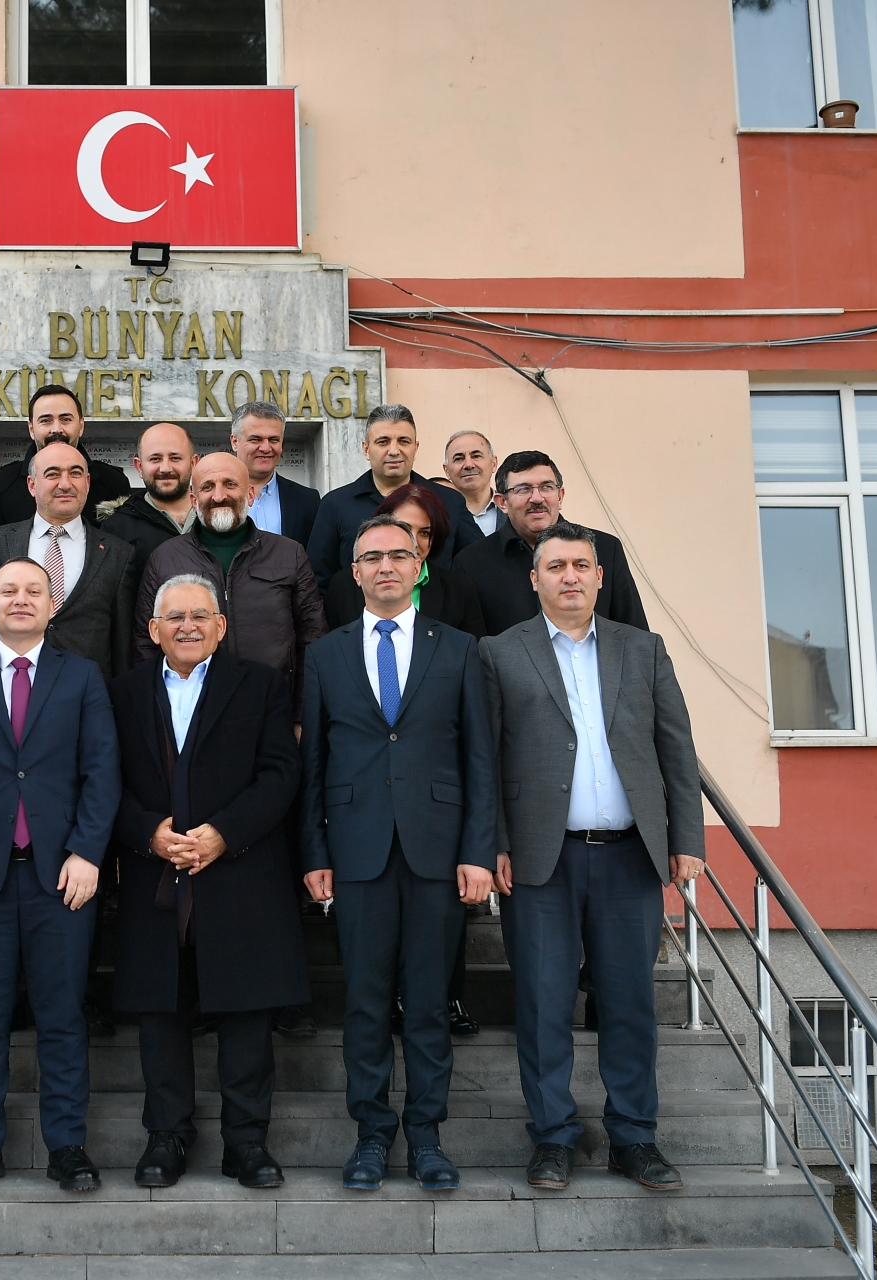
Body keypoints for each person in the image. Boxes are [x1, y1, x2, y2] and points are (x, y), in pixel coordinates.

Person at [479, 520, 704, 1194]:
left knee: (629, 1004)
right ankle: (553, 1136)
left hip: (630, 858)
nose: (570, 576)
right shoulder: (499, 653)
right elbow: (485, 758)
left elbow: (677, 749)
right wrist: (492, 843)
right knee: (543, 1003)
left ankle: (634, 1138)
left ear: (600, 576)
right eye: (556, 567)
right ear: (535, 579)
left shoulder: (644, 649)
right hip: (539, 861)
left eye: (581, 565)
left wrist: (687, 840)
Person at [299, 515, 497, 1194]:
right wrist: (315, 851)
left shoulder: (460, 649)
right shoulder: (325, 654)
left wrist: (478, 850)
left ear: (419, 568)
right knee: (364, 1001)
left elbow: (480, 758)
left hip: (438, 852)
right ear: (354, 573)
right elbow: (313, 763)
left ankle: (427, 1137)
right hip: (357, 852)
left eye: (399, 555)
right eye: (372, 557)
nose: (386, 566)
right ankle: (371, 1135)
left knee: (430, 1002)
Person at [0, 557, 123, 1194]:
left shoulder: (83, 676)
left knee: (62, 1015)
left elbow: (102, 771)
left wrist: (88, 852)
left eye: (34, 590)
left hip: (61, 875)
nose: (20, 599)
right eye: (8, 590)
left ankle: (67, 1146)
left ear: (51, 604)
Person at [110, 575, 307, 1190]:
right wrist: (146, 832)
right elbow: (102, 778)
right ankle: (166, 1136)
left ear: (221, 626)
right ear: (153, 629)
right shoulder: (122, 692)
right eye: (174, 617)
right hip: (153, 872)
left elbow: (281, 774)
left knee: (246, 1010)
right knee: (160, 1010)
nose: (187, 626)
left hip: (241, 871)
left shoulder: (260, 685)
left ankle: (246, 1142)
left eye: (200, 616)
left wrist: (224, 833)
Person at [131, 452, 325, 716]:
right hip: (188, 716)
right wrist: (156, 714)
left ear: (250, 495)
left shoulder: (289, 554)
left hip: (272, 711)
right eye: (207, 487)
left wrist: (302, 716)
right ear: (193, 500)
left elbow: (313, 637)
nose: (219, 496)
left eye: (230, 484)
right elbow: (145, 643)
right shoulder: (164, 558)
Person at [0, 440, 136, 679]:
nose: (65, 484)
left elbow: (122, 642)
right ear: (32, 485)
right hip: (11, 684)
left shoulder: (118, 553)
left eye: (75, 473)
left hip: (88, 690)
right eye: (53, 474)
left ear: (87, 483)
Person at [452, 450, 647, 637]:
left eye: (547, 487)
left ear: (560, 496)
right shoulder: (472, 563)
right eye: (523, 489)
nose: (537, 498)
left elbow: (635, 634)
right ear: (502, 502)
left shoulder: (605, 548)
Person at [305, 404, 481, 602]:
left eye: (404, 441)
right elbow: (317, 581)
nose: (394, 451)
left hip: (436, 618)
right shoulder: (335, 504)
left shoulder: (449, 501)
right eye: (383, 442)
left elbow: (478, 563)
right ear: (366, 449)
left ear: (415, 448)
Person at [323, 483, 487, 635]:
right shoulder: (343, 587)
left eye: (425, 533)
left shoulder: (459, 591)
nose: (413, 541)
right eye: (403, 528)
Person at [0, 384, 131, 531]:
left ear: (81, 426)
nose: (56, 429)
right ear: (31, 429)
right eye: (45, 421)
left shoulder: (113, 483)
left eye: (66, 420)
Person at [96, 422, 197, 558]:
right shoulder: (116, 529)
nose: (165, 468)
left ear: (193, 463)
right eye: (155, 459)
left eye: (175, 458)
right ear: (139, 467)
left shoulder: (217, 516)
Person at [230, 400, 320, 545]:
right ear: (235, 442)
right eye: (256, 439)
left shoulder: (308, 500)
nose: (266, 448)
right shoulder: (213, 497)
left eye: (273, 440)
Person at [442, 431, 502, 537]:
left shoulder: (513, 509)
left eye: (476, 456)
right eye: (459, 459)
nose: (469, 465)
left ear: (494, 463)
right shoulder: (437, 514)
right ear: (447, 470)